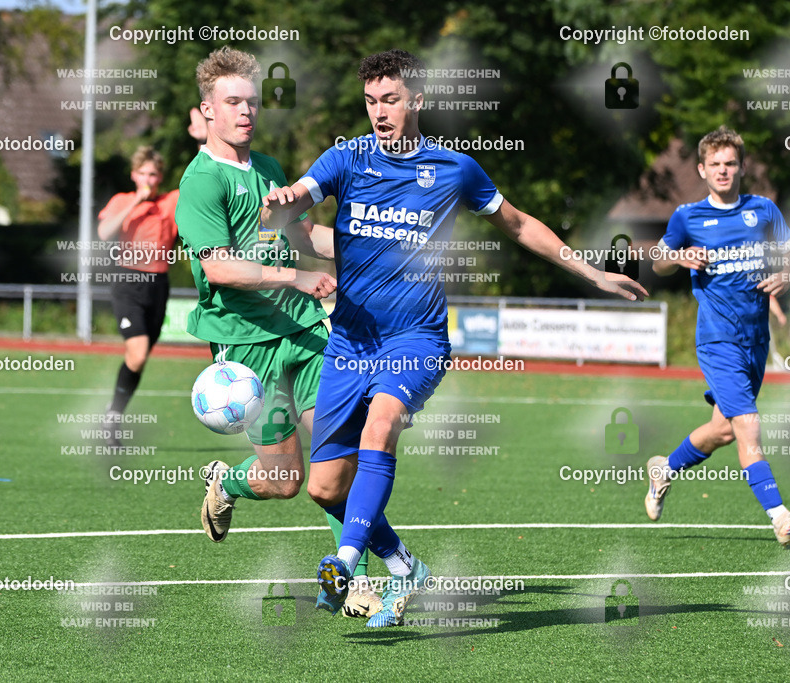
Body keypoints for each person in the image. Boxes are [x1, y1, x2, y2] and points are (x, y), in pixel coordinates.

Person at [261, 48, 646, 627]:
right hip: (349, 341)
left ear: (418, 99)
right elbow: (300, 196)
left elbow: (517, 224)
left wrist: (590, 271)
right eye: (370, 101)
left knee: (382, 423)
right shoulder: (345, 160)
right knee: (323, 487)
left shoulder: (455, 170)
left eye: (390, 99)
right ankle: (403, 565)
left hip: (416, 338)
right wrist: (282, 206)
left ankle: (343, 560)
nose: (379, 112)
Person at [174, 46, 381, 618]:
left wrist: (378, 249)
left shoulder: (266, 168)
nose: (245, 112)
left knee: (342, 451)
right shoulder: (200, 183)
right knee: (285, 479)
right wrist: (294, 276)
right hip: (245, 347)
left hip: (306, 333)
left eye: (252, 102)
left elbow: (303, 234)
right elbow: (218, 267)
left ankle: (352, 577)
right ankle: (228, 485)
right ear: (208, 110)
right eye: (232, 102)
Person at [645, 126, 790, 545]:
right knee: (747, 423)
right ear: (702, 170)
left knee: (724, 430)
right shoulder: (688, 216)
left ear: (742, 167)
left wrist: (786, 274)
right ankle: (781, 518)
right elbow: (657, 262)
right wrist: (678, 255)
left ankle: (663, 469)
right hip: (717, 339)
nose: (723, 171)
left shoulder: (763, 210)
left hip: (754, 339)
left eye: (730, 163)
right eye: (715, 165)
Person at [98, 145, 184, 447]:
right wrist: (136, 200)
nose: (149, 179)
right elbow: (104, 231)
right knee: (137, 351)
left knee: (140, 358)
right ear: (134, 175)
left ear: (160, 176)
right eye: (143, 173)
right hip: (127, 281)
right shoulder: (122, 200)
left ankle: (113, 414)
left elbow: (201, 174)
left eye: (154, 174)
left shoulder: (169, 202)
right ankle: (112, 417)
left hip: (158, 284)